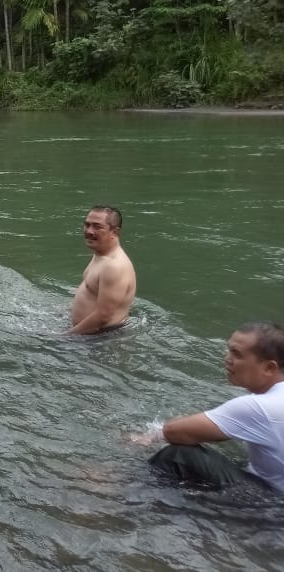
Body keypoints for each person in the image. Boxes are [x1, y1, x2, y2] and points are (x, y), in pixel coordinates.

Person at [142, 321, 284, 493]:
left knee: (178, 455)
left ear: (269, 367)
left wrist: (150, 436)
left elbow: (173, 431)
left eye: (237, 354)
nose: (227, 359)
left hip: (272, 504)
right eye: (229, 350)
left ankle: (123, 488)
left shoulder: (259, 407)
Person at [69, 205, 136, 334]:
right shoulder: (101, 253)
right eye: (87, 225)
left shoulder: (114, 266)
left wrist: (65, 337)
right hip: (87, 336)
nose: (89, 231)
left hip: (101, 341)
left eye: (97, 226)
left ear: (115, 232)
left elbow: (103, 316)